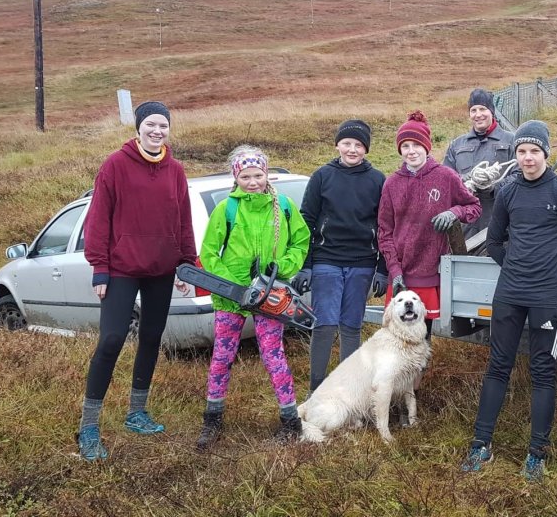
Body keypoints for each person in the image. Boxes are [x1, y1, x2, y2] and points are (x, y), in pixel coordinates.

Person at [461, 120, 557, 481]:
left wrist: (556, 272)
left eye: (534, 151)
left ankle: (537, 453)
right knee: (498, 366)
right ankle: (481, 444)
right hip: (510, 292)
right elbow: (494, 242)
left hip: (548, 296)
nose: (528, 158)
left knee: (543, 371)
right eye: (522, 151)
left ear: (545, 154)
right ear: (515, 154)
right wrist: (516, 268)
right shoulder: (508, 192)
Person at [78, 100, 197, 461]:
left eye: (163, 125)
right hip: (121, 269)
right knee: (112, 339)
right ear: (139, 127)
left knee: (151, 337)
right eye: (151, 124)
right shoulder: (115, 164)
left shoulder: (175, 170)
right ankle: (88, 426)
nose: (157, 131)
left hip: (161, 269)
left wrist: (186, 263)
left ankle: (137, 413)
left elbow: (183, 219)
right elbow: (98, 218)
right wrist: (99, 267)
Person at [194, 145, 311, 450]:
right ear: (236, 177)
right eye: (245, 176)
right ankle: (212, 418)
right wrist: (232, 285)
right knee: (222, 356)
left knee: (274, 356)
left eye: (257, 175)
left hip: (270, 295)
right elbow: (209, 252)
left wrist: (283, 267)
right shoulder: (226, 209)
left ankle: (290, 420)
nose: (252, 182)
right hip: (231, 297)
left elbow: (301, 241)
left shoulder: (284, 206)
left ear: (266, 174)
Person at [292, 119, 388, 396]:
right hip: (327, 261)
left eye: (358, 145)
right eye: (347, 143)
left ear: (366, 149)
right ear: (337, 145)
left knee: (351, 326)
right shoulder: (322, 176)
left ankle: (347, 392)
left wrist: (382, 269)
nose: (352, 149)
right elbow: (307, 221)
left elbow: (385, 226)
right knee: (324, 325)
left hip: (363, 263)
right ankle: (316, 391)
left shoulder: (378, 180)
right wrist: (306, 265)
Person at [378, 110, 481, 339]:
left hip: (430, 274)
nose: (411, 151)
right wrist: (394, 271)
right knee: (396, 339)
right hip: (400, 276)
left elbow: (474, 207)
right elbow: (385, 233)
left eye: (416, 145)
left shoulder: (446, 177)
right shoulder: (391, 184)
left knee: (421, 338)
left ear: (427, 146)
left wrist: (454, 212)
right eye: (405, 146)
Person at [443, 88, 516, 239]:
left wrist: (494, 187)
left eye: (483, 109)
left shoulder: (511, 141)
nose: (478, 114)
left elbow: (520, 176)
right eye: (473, 110)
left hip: (502, 225)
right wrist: (463, 182)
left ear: (492, 111)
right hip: (467, 228)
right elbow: (445, 180)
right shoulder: (457, 145)